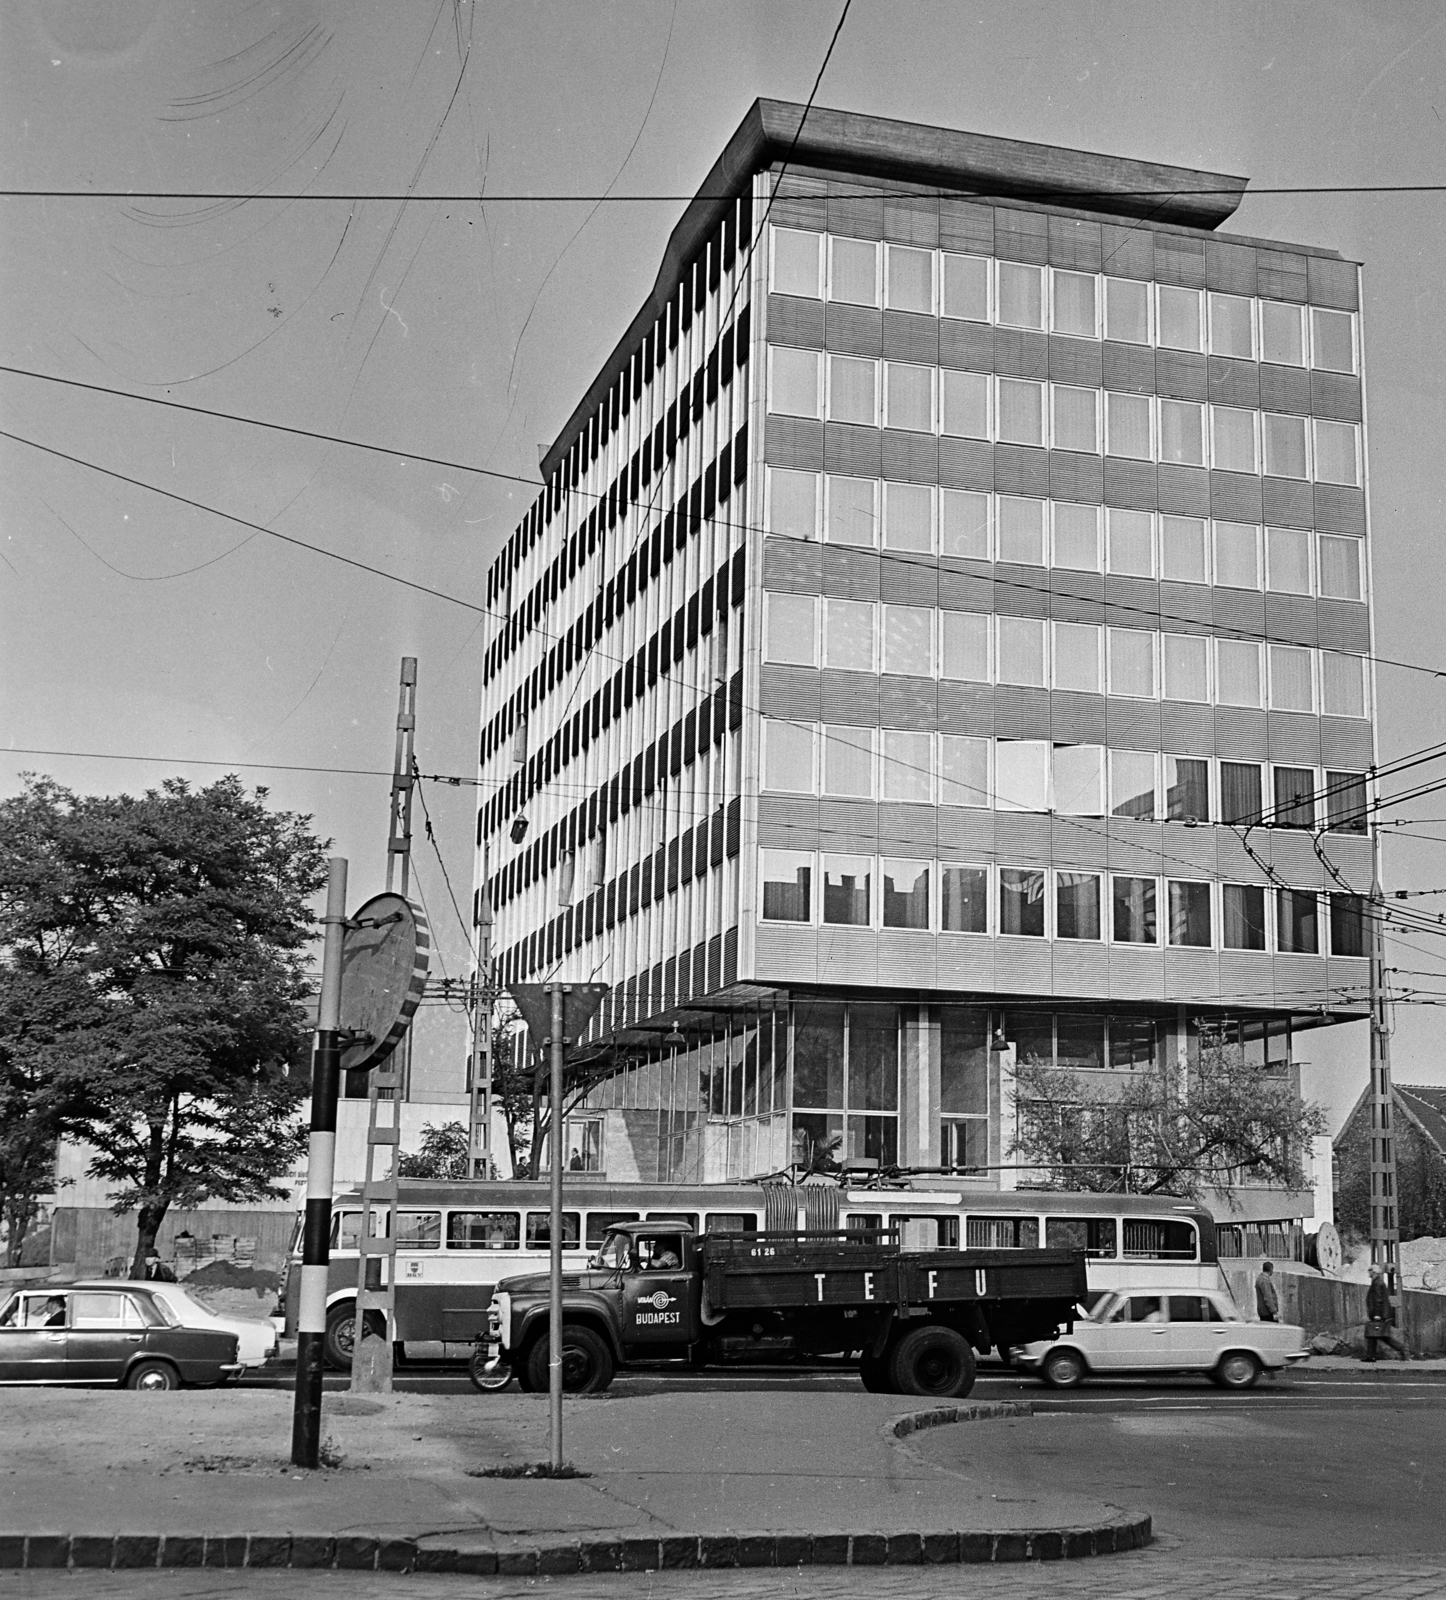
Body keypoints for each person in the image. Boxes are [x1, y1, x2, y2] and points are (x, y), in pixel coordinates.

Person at [1364, 1265, 1409, 1362]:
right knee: (1374, 1334)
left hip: (1379, 1314)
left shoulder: (1378, 1283)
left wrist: (1377, 1314)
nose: (1368, 1273)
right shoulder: (1377, 1282)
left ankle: (1402, 1348)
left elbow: (1378, 1299)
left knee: (1380, 1335)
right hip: (1378, 1313)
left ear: (1373, 1272)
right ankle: (1370, 1356)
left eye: (1369, 1271)